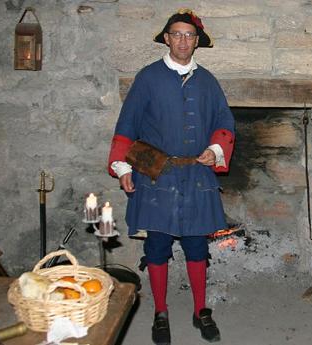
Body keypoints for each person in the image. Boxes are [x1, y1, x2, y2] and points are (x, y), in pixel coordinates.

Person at [107, 8, 235, 345]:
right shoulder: (147, 78)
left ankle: (200, 311)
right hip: (156, 176)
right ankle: (160, 312)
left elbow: (224, 122)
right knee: (157, 246)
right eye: (176, 34)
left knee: (196, 246)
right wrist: (122, 168)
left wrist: (216, 150)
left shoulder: (208, 81)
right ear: (166, 38)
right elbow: (127, 125)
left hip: (196, 175)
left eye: (188, 35)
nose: (182, 40)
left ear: (197, 42)